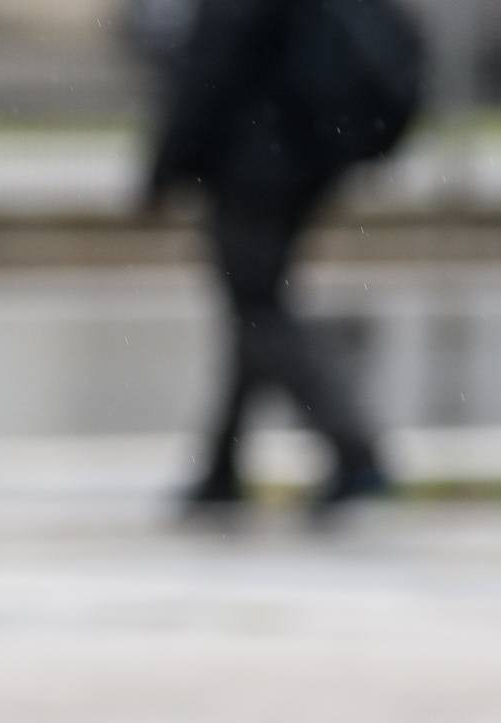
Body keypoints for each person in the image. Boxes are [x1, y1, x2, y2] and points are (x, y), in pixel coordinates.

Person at [139, 0, 424, 517]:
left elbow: (210, 66)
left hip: (255, 161)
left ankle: (354, 451)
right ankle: (222, 468)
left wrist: (164, 167)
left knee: (258, 309)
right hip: (308, 153)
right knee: (251, 304)